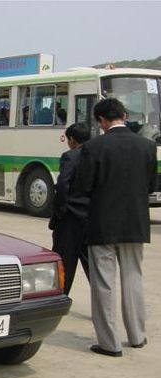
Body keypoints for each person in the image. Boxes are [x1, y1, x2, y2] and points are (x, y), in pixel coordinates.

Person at [77, 98, 157, 357]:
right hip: (136, 223)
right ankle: (137, 336)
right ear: (123, 114)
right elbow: (150, 186)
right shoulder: (147, 146)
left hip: (102, 224)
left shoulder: (93, 147)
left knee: (104, 283)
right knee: (133, 277)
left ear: (101, 121)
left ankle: (110, 343)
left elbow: (83, 188)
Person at [48, 123, 90, 296]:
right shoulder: (97, 155)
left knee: (64, 264)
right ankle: (102, 306)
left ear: (72, 140)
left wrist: (59, 213)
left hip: (70, 220)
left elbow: (63, 185)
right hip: (91, 219)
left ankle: (60, 298)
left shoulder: (70, 157)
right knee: (93, 268)